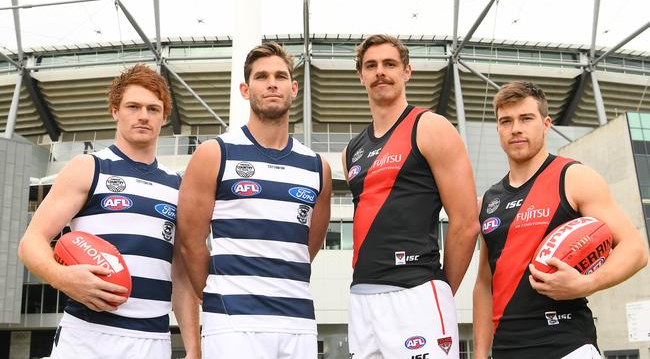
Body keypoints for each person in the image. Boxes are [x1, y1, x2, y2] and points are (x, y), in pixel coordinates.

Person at [17, 64, 200, 359]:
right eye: (133, 106)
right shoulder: (89, 167)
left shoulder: (177, 185)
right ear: (115, 110)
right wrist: (61, 277)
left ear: (165, 117)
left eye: (153, 109)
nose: (143, 115)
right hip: (88, 334)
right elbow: (31, 242)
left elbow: (181, 273)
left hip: (152, 339)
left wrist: (193, 348)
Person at [177, 42, 331, 358]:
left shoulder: (317, 167)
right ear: (246, 90)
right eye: (261, 76)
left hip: (297, 321)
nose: (272, 83)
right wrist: (221, 295)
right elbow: (190, 244)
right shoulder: (214, 154)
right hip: (232, 323)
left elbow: (307, 246)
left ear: (294, 88)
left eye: (280, 76)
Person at [473, 81, 649, 358]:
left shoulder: (574, 178)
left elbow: (635, 249)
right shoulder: (488, 201)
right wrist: (481, 354)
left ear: (545, 124)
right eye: (505, 121)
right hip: (508, 349)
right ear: (498, 129)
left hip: (567, 345)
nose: (515, 128)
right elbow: (484, 283)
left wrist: (588, 283)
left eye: (526, 118)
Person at [342, 34, 480, 359]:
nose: (380, 72)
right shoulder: (353, 150)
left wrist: (441, 288)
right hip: (362, 296)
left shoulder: (431, 128)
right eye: (371, 66)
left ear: (407, 71)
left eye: (390, 64)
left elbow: (466, 223)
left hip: (416, 292)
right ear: (361, 76)